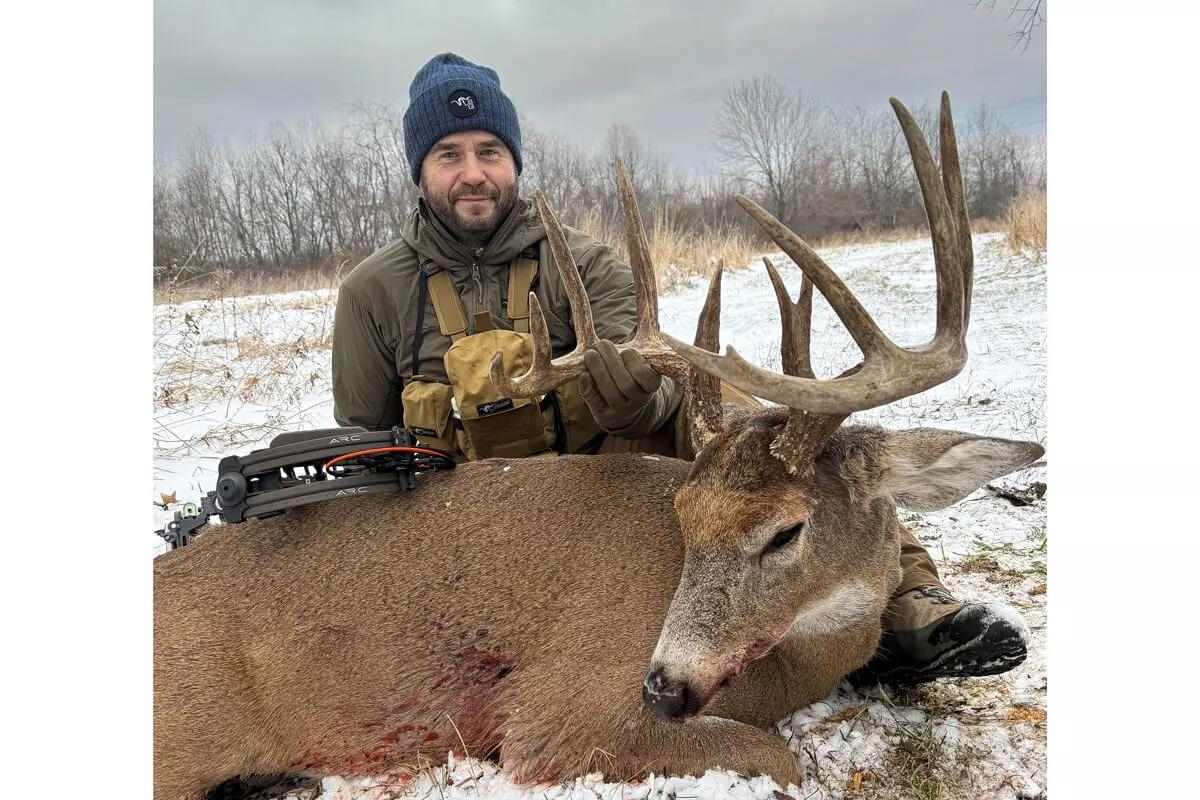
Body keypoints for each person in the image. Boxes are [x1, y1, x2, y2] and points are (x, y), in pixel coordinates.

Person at [331, 52, 1027, 685]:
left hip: (599, 482)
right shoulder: (374, 291)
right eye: (448, 154)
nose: (473, 171)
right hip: (470, 513)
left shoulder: (583, 263)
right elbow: (360, 437)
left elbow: (654, 386)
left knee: (765, 439)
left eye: (489, 150)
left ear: (513, 160)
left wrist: (634, 403)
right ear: (420, 169)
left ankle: (908, 600)